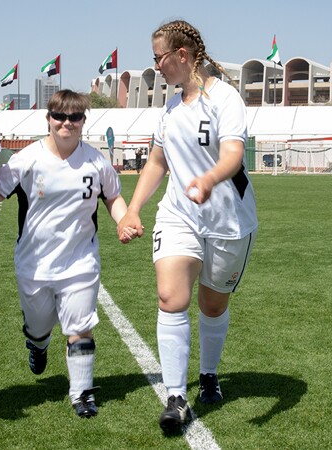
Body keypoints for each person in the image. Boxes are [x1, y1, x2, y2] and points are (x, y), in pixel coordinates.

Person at [117, 20, 258, 433]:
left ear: (182, 56)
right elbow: (157, 163)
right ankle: (175, 396)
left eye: (159, 58)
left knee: (212, 305)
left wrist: (209, 180)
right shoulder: (170, 107)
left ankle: (209, 374)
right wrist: (133, 209)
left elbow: (233, 153)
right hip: (178, 215)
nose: (157, 66)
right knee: (169, 296)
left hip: (228, 221)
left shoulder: (225, 99)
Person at [0, 89, 133, 419]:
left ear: (84, 120)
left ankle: (82, 393)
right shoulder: (26, 159)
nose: (66, 123)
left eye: (75, 117)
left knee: (80, 328)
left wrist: (124, 220)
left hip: (80, 261)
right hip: (34, 264)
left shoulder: (96, 161)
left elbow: (113, 198)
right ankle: (37, 344)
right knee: (39, 327)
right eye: (59, 116)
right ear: (49, 118)